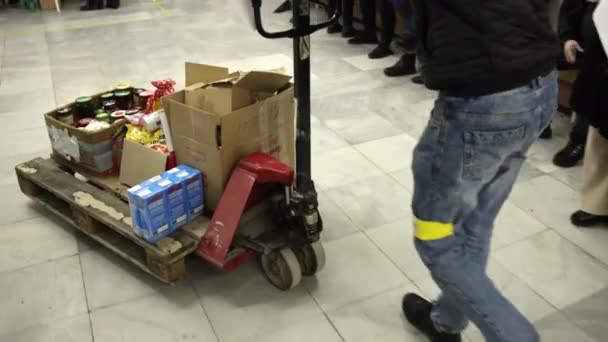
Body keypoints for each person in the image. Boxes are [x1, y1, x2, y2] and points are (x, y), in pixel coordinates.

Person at [404, 1, 559, 342]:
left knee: (436, 240)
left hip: (482, 104)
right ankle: (446, 320)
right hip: (539, 87)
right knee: (475, 222)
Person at [559, 0, 608, 227]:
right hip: (599, 67)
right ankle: (597, 205)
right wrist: (568, 36)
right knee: (598, 140)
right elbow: (572, 8)